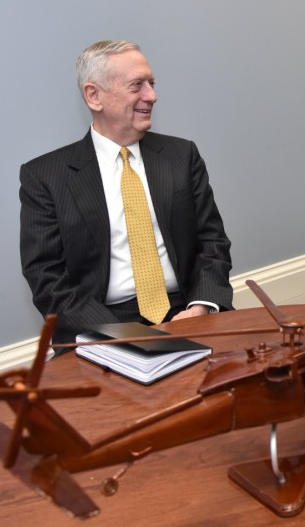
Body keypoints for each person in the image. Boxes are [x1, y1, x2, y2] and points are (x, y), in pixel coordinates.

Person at [20, 40, 233, 344]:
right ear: (94, 96)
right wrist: (122, 335)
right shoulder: (45, 177)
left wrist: (201, 306)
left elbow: (212, 242)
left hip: (186, 310)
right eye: (137, 86)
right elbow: (47, 279)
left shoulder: (181, 156)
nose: (152, 96)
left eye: (152, 83)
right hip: (100, 323)